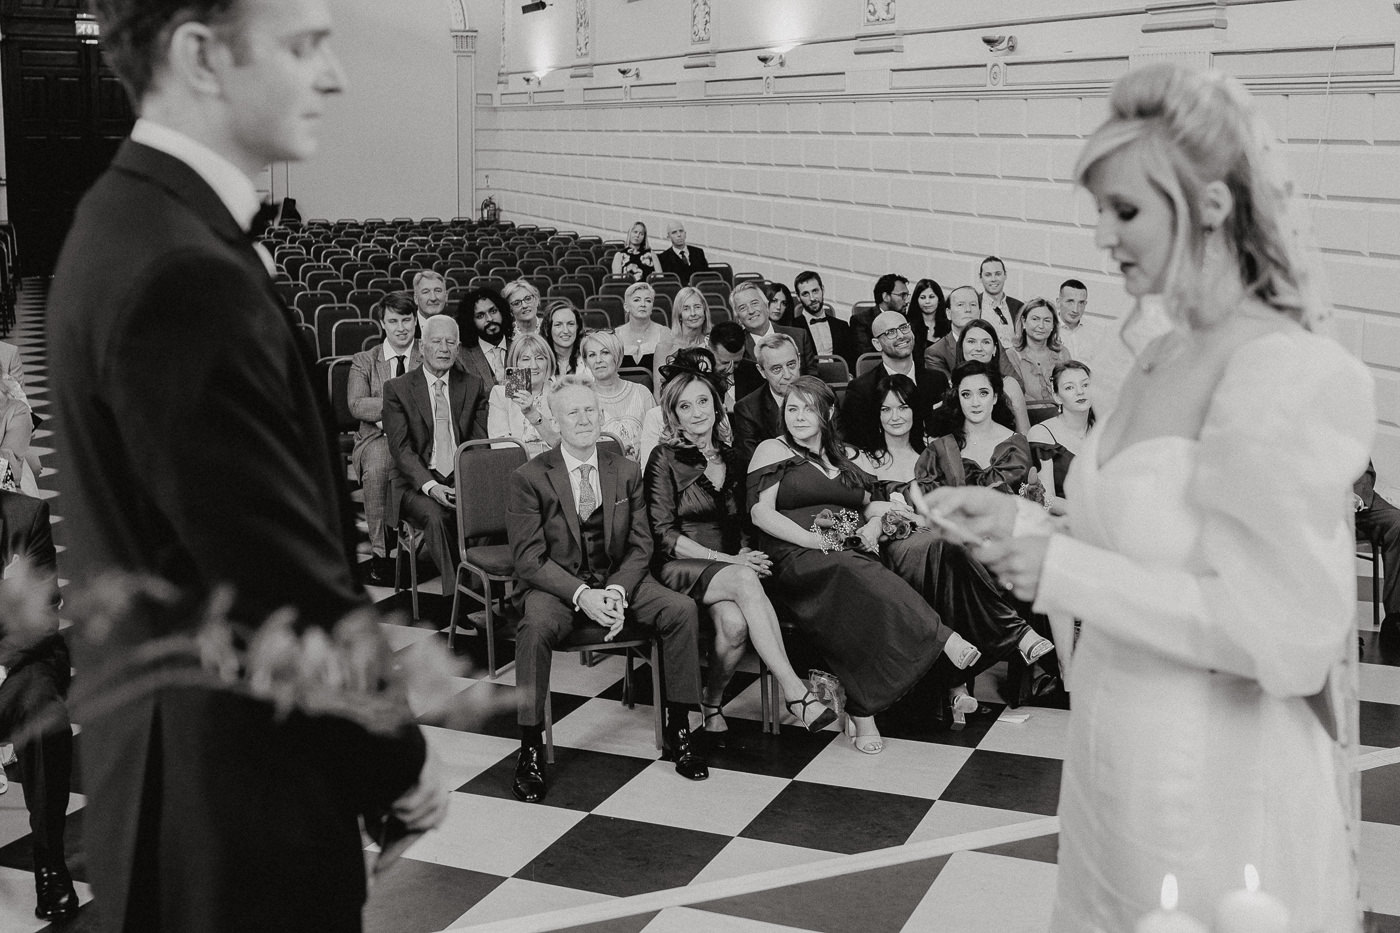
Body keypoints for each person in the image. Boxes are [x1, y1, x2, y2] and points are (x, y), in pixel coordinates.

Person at [921, 63, 1374, 930]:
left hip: (1211, 774)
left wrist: (1061, 570)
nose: (1101, 234)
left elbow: (1285, 631)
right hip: (1112, 745)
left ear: (1207, 205)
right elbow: (1157, 539)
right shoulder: (1160, 351)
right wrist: (1028, 519)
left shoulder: (1280, 369)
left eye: (1123, 209)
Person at [48, 1, 447, 928]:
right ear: (201, 55)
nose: (335, 74)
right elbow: (272, 573)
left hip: (195, 777)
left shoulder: (130, 220)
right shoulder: (180, 270)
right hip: (229, 804)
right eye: (305, 45)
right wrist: (395, 756)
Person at [746, 377, 986, 754]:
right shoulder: (772, 449)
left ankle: (863, 713)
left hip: (846, 547)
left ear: (827, 412)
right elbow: (761, 513)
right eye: (791, 409)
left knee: (859, 587)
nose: (798, 417)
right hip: (795, 552)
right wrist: (815, 540)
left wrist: (875, 523)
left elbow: (869, 504)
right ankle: (942, 637)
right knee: (852, 570)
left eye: (808, 408)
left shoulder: (843, 455)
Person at [506, 376, 709, 804]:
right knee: (535, 628)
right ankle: (529, 746)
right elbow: (529, 560)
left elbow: (641, 545)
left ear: (602, 415)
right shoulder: (529, 476)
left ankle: (680, 727)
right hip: (557, 586)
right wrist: (583, 595)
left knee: (680, 610)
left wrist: (616, 592)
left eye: (590, 410)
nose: (583, 419)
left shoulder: (625, 469)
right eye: (572, 413)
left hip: (619, 578)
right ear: (556, 423)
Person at [642, 353, 837, 738]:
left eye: (703, 401)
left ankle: (711, 704)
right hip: (680, 565)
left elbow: (746, 520)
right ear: (674, 415)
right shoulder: (663, 458)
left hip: (731, 566)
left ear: (717, 404)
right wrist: (730, 560)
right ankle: (795, 692)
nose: (697, 413)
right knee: (745, 581)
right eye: (685, 406)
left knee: (733, 626)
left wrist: (748, 554)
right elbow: (663, 535)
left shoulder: (734, 457)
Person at [0, 491, 77, 919]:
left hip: (21, 661)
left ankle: (50, 863)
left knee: (43, 712)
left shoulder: (26, 515)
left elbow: (40, 617)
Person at [382, 315, 490, 587]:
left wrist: (468, 484)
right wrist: (432, 486)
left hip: (459, 474)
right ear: (422, 345)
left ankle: (486, 587)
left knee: (491, 506)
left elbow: (480, 442)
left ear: (458, 348)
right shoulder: (397, 388)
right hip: (415, 482)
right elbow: (401, 449)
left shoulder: (473, 384)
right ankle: (459, 595)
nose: (444, 348)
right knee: (436, 516)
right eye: (436, 341)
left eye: (451, 342)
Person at [348, 291, 420, 586]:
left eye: (406, 319)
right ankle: (381, 553)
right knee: (378, 465)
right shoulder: (365, 359)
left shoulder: (427, 354)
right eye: (393, 321)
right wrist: (401, 406)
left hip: (420, 438)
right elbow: (357, 404)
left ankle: (428, 544)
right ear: (382, 323)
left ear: (416, 321)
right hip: (376, 438)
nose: (401, 327)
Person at [838, 310, 949, 457]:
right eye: (890, 332)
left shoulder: (937, 380)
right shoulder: (861, 389)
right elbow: (856, 442)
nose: (901, 336)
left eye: (904, 327)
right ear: (877, 344)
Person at [1027, 361, 1094, 515]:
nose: (1080, 392)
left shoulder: (1103, 429)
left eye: (1085, 385)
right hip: (1064, 521)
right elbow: (1045, 498)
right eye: (1069, 387)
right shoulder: (1042, 433)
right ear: (1057, 397)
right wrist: (1085, 513)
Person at [580, 329, 656, 461]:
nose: (598, 360)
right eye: (592, 355)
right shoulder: (582, 399)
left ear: (617, 355)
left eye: (605, 353)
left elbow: (659, 439)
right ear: (586, 362)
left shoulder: (642, 393)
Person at [487, 332, 560, 459]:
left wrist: (533, 413)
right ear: (515, 364)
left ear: (548, 362)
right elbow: (500, 447)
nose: (534, 365)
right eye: (526, 359)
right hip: (516, 467)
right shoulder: (500, 394)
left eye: (540, 358)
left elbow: (561, 444)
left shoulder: (560, 391)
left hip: (556, 463)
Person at [847, 373, 925, 487]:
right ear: (878, 414)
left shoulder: (932, 456)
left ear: (914, 411)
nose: (895, 417)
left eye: (903, 408)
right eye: (886, 409)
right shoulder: (863, 460)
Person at [733, 334, 800, 467]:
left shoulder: (824, 395)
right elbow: (755, 466)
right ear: (762, 371)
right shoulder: (747, 410)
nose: (787, 375)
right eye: (777, 369)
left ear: (799, 360)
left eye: (791, 365)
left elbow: (837, 448)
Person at [955, 319, 1030, 434]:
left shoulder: (1010, 385)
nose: (978, 348)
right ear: (962, 346)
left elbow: (1024, 434)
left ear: (994, 349)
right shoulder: (951, 384)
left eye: (986, 342)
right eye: (971, 341)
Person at [733, 281, 818, 377]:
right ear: (738, 317)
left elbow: (813, 379)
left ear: (766, 305)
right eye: (743, 308)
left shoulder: (799, 336)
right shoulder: (737, 346)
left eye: (754, 303)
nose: (751, 311)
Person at [1356, 460, 1400, 642]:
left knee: (1398, 523)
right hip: (1317, 504)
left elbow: (1364, 467)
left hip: (1359, 501)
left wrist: (1356, 497)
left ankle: (1395, 618)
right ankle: (1334, 629)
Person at [1013, 297, 1072, 426]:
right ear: (1023, 322)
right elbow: (1017, 399)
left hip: (1064, 417)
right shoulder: (1012, 355)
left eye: (1047, 320)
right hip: (1029, 419)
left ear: (1053, 326)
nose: (1041, 326)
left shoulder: (1062, 353)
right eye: (1035, 319)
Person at [790, 274, 856, 370]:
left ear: (822, 290)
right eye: (805, 294)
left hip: (841, 379)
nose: (812, 298)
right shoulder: (793, 328)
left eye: (815, 291)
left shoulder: (842, 326)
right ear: (798, 297)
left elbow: (852, 359)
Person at [652, 284, 710, 387]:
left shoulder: (712, 345)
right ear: (679, 315)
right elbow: (658, 391)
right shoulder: (664, 348)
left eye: (697, 307)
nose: (693, 313)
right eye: (686, 309)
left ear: (705, 312)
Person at [458, 287, 512, 388]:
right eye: (480, 316)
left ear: (502, 311)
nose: (490, 319)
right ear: (470, 322)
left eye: (493, 311)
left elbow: (521, 395)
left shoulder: (520, 348)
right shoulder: (461, 356)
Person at [1054, 279, 1110, 368]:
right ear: (1058, 302)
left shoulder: (1097, 332)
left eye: (1081, 303)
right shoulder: (1047, 330)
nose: (1075, 309)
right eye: (1070, 301)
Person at [852, 273, 909, 358]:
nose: (907, 300)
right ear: (885, 297)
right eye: (902, 295)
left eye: (907, 295)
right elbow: (867, 356)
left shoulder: (906, 319)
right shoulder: (861, 320)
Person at [615, 281, 667, 373]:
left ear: (652, 306)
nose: (643, 304)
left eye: (648, 300)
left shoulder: (664, 333)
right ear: (626, 307)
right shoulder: (615, 335)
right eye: (636, 300)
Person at [977, 256, 1022, 347]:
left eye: (998, 274)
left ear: (1005, 275)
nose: (993, 279)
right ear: (980, 278)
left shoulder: (1018, 307)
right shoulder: (975, 304)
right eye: (988, 275)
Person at [656, 218, 709, 284]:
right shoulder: (663, 257)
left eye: (681, 231)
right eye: (674, 232)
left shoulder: (698, 252)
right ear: (669, 237)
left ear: (685, 234)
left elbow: (708, 275)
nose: (679, 235)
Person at [907, 277, 945, 363]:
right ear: (917, 300)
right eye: (923, 297)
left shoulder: (949, 326)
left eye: (931, 297)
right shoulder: (908, 327)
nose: (927, 301)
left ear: (939, 299)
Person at [545, 299, 582, 376]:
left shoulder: (590, 357)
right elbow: (516, 385)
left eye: (570, 324)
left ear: (577, 327)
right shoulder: (533, 356)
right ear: (548, 329)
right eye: (558, 325)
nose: (565, 330)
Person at [412, 269, 449, 333]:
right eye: (426, 292)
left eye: (438, 291)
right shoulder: (407, 327)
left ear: (446, 296)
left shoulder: (455, 326)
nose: (433, 298)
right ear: (416, 298)